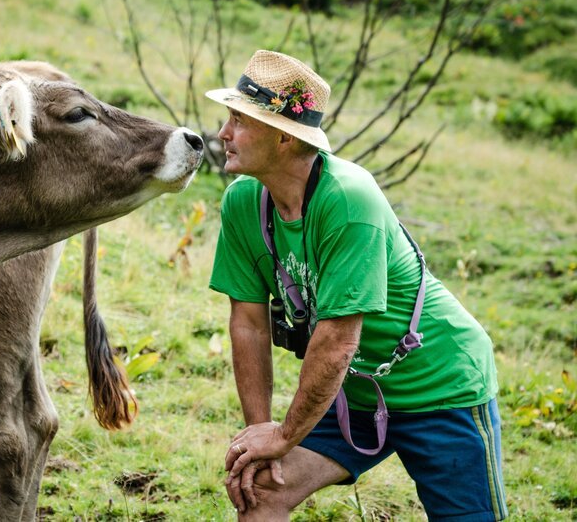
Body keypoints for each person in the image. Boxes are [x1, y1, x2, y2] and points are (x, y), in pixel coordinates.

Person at [205, 50, 507, 521]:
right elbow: (249, 324)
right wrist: (261, 434)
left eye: (239, 121)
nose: (224, 133)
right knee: (260, 489)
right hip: (354, 392)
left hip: (441, 385)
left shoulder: (348, 199)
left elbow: (338, 341)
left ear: (284, 137)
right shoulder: (243, 202)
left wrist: (284, 437)